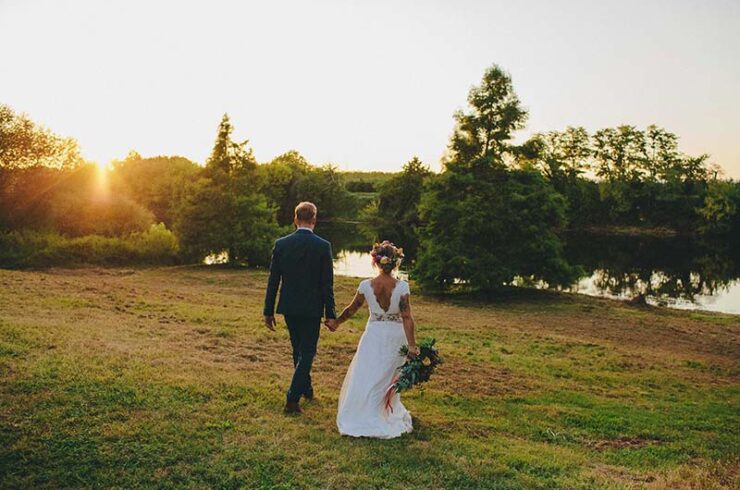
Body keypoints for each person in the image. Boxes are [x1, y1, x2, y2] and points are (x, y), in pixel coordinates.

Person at [330, 240, 417, 438]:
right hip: (396, 336)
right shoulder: (402, 287)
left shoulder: (366, 286)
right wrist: (412, 345)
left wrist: (336, 323)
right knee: (388, 375)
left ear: (376, 262)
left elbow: (351, 309)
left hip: (374, 334)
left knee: (369, 372)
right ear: (395, 263)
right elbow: (406, 317)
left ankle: (365, 411)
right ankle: (382, 411)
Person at [263, 202, 336, 414]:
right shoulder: (323, 246)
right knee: (308, 352)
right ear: (314, 220)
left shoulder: (281, 244)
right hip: (312, 308)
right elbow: (327, 284)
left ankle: (307, 388)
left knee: (299, 350)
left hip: (289, 306)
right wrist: (330, 314)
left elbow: (273, 281)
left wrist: (268, 310)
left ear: (296, 219)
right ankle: (292, 399)